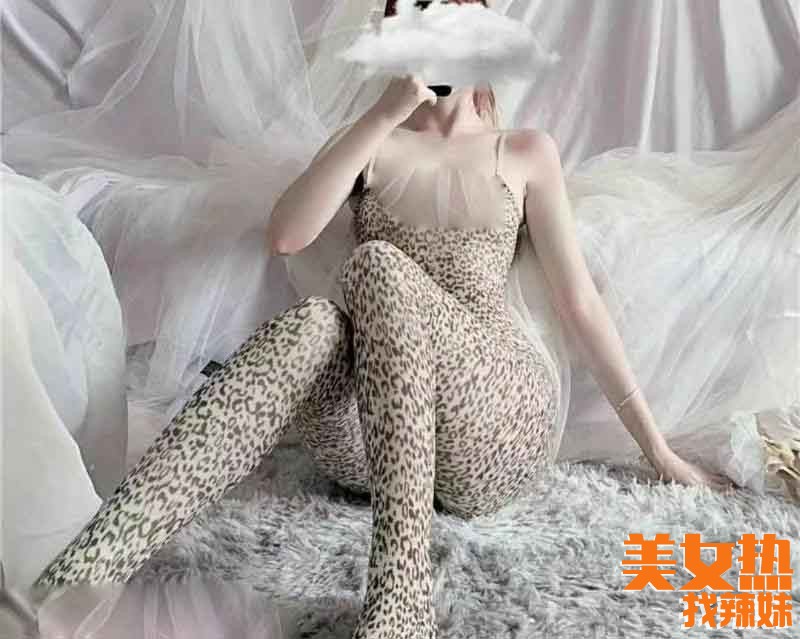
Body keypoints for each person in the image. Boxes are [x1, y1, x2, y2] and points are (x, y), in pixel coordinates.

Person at [29, 65, 736, 638]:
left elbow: (578, 301)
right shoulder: (371, 140)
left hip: (491, 417)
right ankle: (93, 564)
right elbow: (287, 235)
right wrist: (383, 114)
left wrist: (656, 448)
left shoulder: (524, 151)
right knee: (315, 321)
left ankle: (402, 589)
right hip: (375, 437)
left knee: (376, 264)